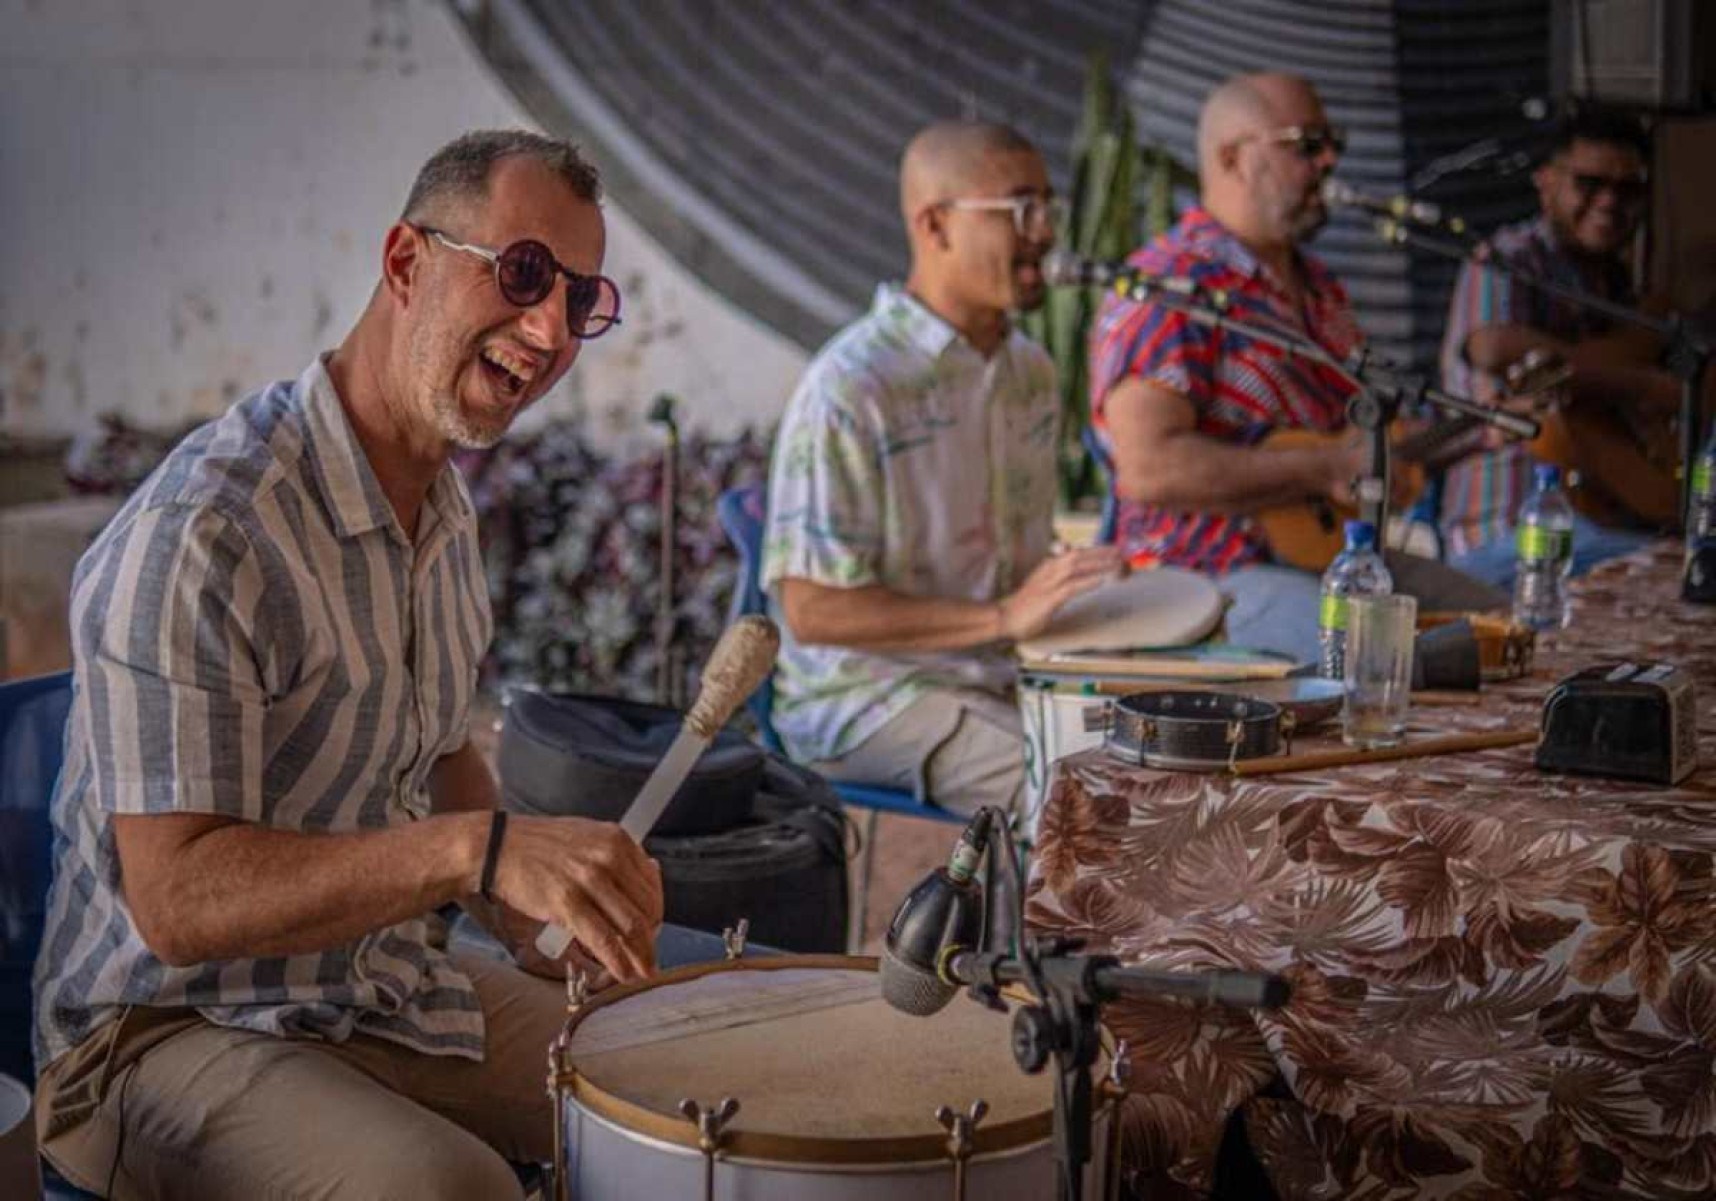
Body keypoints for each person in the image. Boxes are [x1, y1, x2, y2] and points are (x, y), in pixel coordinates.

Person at [32, 130, 663, 1201]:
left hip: (365, 982)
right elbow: (176, 900)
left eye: (582, 298)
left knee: (673, 1078)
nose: (552, 328)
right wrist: (481, 850)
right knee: (447, 1190)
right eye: (522, 273)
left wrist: (538, 924)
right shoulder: (209, 529)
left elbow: (447, 753)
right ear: (408, 263)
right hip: (160, 1026)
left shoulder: (443, 510)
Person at [762, 122, 1124, 819]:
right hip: (865, 698)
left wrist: (1082, 591)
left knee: (1170, 762)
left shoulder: (1031, 372)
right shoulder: (852, 385)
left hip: (998, 676)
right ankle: (1041, 933)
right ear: (934, 225)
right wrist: (1002, 616)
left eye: (1050, 207)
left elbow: (1012, 574)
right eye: (1021, 209)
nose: (1046, 232)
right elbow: (812, 610)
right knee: (1080, 802)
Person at [1089, 72, 1502, 664]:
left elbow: (1362, 444)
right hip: (1209, 575)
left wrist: (1472, 433)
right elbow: (1149, 468)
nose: (1329, 160)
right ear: (1233, 157)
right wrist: (1323, 465)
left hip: (1334, 559)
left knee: (1504, 637)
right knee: (1388, 664)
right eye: (1306, 144)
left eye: (1335, 142)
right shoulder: (1170, 287)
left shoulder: (1318, 290)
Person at [1437, 108, 1674, 586]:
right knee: (1675, 569)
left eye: (1628, 190)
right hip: (1505, 531)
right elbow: (1493, 348)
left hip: (1595, 524)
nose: (1610, 202)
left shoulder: (1619, 289)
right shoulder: (1508, 259)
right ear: (1546, 183)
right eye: (1589, 183)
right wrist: (1642, 380)